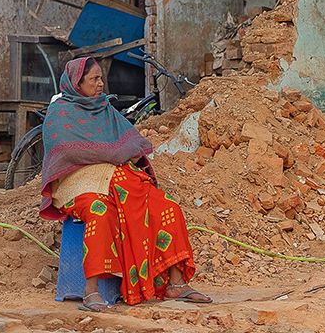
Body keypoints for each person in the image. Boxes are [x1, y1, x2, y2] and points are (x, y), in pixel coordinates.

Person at [38, 56, 211, 312]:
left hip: (115, 180)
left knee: (167, 207)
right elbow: (66, 152)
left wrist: (114, 155)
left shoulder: (104, 109)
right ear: (77, 83)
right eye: (94, 79)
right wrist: (112, 153)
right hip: (76, 184)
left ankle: (175, 283)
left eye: (101, 78)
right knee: (101, 212)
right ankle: (91, 291)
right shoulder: (60, 112)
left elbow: (133, 142)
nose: (100, 84)